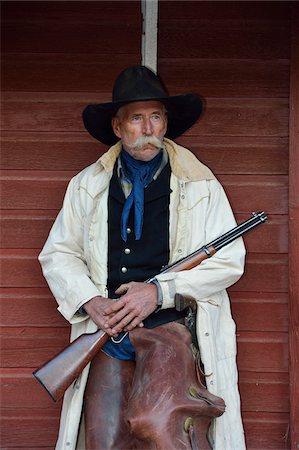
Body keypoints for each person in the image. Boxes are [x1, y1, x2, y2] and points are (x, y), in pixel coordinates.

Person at [39, 65, 246, 450]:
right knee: (105, 439)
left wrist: (160, 293)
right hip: (109, 331)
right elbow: (59, 253)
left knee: (159, 426)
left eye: (156, 116)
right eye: (137, 118)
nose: (148, 128)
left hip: (170, 327)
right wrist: (90, 300)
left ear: (166, 122)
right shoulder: (87, 185)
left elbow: (229, 260)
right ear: (118, 128)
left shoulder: (200, 183)